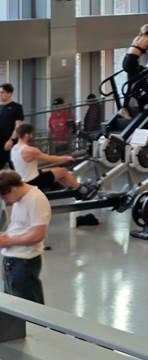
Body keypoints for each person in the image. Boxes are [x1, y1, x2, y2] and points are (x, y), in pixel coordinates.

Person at [0, 170, 51, 304]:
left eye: (4, 197)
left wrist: (8, 242)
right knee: (13, 306)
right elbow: (19, 226)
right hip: (12, 261)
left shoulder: (36, 199)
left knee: (28, 307)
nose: (4, 201)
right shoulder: (20, 199)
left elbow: (38, 235)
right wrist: (5, 235)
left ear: (13, 188)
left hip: (24, 263)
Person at [10, 123, 87, 195]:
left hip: (24, 179)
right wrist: (66, 158)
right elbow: (50, 159)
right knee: (63, 171)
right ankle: (82, 190)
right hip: (33, 181)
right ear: (27, 135)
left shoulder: (14, 148)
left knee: (53, 170)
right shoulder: (29, 150)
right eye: (31, 134)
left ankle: (70, 188)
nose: (32, 136)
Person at [122, 24, 148, 115]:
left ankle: (138, 106)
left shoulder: (137, 38)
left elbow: (138, 49)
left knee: (136, 82)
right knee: (139, 83)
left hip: (126, 61)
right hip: (132, 62)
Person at [0, 84, 24, 169]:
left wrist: (11, 140)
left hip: (11, 144)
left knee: (15, 169)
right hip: (0, 143)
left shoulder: (17, 107)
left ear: (9, 93)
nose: (0, 94)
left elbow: (18, 125)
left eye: (2, 92)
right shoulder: (0, 107)